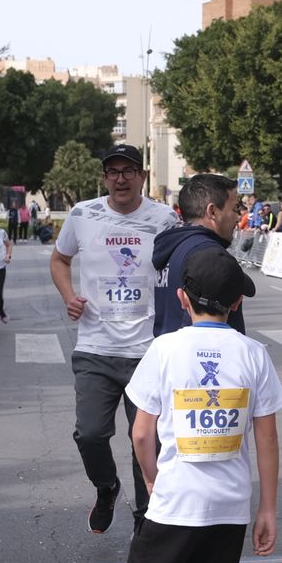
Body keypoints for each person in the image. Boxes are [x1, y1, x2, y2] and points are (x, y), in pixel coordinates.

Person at [111, 248, 282, 563]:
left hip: (175, 503)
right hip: (229, 508)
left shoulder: (164, 349)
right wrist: (267, 507)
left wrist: (149, 478)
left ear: (182, 297)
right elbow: (266, 438)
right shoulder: (254, 354)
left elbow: (141, 433)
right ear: (236, 304)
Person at [50, 144, 180, 534]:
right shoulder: (83, 214)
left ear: (142, 176)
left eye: (129, 171)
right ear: (105, 177)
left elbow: (185, 263)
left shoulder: (164, 218)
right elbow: (59, 259)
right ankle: (106, 487)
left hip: (148, 350)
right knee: (89, 434)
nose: (120, 178)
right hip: (96, 346)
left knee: (148, 443)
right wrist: (69, 296)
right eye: (113, 172)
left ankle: (146, 521)